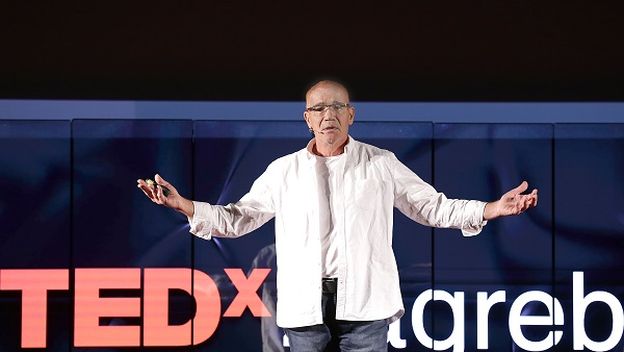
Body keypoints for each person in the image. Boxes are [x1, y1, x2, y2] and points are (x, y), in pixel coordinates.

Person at [137, 80, 538, 352]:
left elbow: (432, 206)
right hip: (304, 308)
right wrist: (184, 205)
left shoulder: (381, 163)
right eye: (318, 108)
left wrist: (492, 208)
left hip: (365, 306)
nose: (328, 114)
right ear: (307, 118)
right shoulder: (283, 171)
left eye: (336, 106)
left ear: (351, 114)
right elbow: (237, 218)